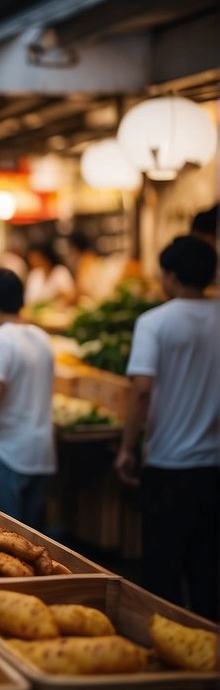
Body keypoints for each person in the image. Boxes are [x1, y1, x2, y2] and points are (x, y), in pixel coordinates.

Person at [115, 236, 219, 619]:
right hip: (213, 466)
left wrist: (127, 448)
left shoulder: (155, 322)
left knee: (163, 571)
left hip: (168, 464)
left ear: (170, 276)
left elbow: (141, 392)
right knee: (208, 569)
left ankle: (171, 658)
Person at [0, 269, 56, 526]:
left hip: (6, 455)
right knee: (32, 542)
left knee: (6, 542)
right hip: (41, 455)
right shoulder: (41, 337)